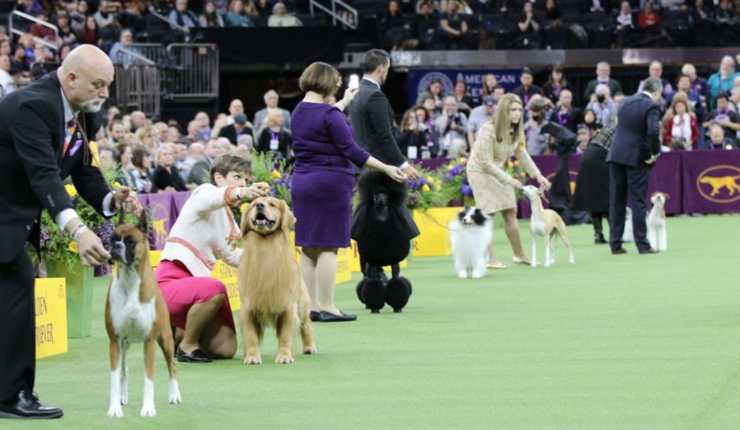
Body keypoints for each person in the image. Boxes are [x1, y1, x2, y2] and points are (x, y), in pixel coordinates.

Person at [0, 44, 139, 419]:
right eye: (98, 84)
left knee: (13, 299)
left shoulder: (84, 113)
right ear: (71, 77)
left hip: (13, 218)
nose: (104, 94)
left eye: (107, 86)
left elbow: (84, 170)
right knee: (15, 299)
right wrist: (77, 230)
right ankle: (11, 396)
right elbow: (43, 173)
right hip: (5, 215)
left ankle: (12, 394)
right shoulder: (32, 106)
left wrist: (112, 200)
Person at [291, 61, 406, 322]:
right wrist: (387, 168)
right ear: (326, 82)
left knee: (309, 248)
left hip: (303, 183)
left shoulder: (298, 111)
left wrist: (344, 101)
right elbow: (353, 151)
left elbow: (324, 116)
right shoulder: (331, 115)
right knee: (330, 247)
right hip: (330, 184)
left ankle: (309, 308)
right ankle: (328, 306)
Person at [157, 155, 266, 362]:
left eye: (245, 180)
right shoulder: (203, 192)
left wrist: (266, 258)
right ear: (218, 177)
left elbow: (233, 256)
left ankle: (178, 331)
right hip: (169, 281)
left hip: (194, 287)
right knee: (215, 288)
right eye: (237, 177)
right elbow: (216, 197)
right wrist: (243, 193)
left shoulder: (227, 219)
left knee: (225, 349)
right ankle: (187, 346)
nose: (243, 183)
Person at [466, 93, 551, 268]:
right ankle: (489, 259)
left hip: (499, 170)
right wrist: (509, 179)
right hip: (480, 171)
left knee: (510, 212)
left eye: (519, 109)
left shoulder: (517, 130)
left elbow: (522, 153)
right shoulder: (487, 129)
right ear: (504, 110)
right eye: (513, 109)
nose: (517, 113)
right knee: (487, 213)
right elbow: (485, 163)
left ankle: (519, 255)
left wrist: (538, 175)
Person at [607, 77, 662, 255]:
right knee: (637, 200)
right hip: (636, 157)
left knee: (617, 200)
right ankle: (642, 245)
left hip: (616, 154)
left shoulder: (624, 102)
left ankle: (615, 244)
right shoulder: (651, 106)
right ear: (656, 92)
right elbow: (653, 131)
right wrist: (654, 153)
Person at [573, 125, 615, 244]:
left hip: (588, 157)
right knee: (607, 198)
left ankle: (598, 235)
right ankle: (615, 235)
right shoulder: (624, 128)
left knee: (595, 199)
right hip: (599, 158)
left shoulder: (612, 126)